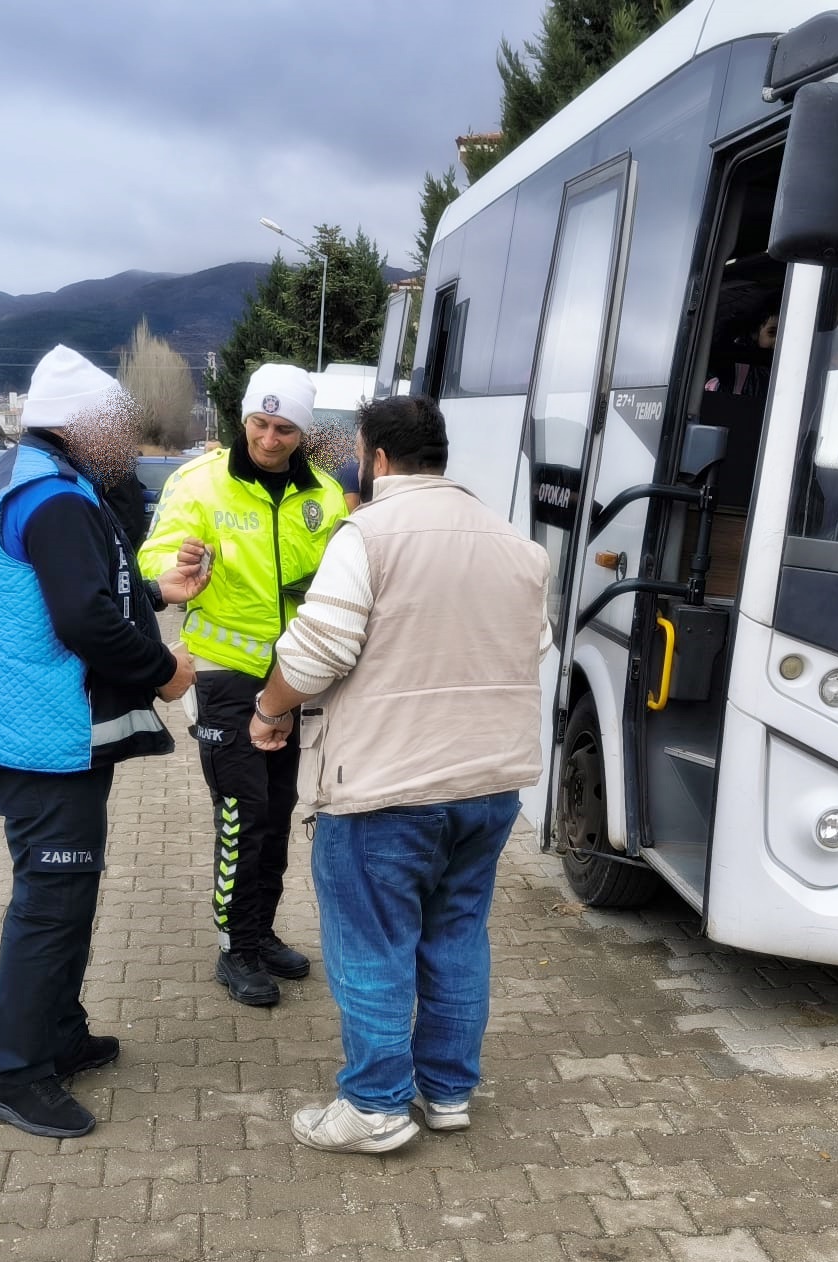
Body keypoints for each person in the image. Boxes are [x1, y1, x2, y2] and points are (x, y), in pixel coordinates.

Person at [247, 395, 551, 1154]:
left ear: (375, 458)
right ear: (439, 456)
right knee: (455, 936)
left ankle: (375, 1106)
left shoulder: (369, 533)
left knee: (373, 942)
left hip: (384, 785)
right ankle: (446, 1093)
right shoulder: (516, 542)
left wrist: (270, 709)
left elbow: (316, 652)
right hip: (488, 784)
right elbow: (534, 644)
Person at [0, 344, 203, 1139]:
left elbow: (84, 587)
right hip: (38, 741)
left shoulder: (35, 482)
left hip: (37, 735)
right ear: (79, 425)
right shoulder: (53, 497)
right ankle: (14, 1074)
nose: (127, 437)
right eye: (116, 424)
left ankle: (57, 1035)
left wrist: (159, 590)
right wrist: (162, 670)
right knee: (51, 905)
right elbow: (84, 619)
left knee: (67, 893)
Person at [137, 363, 348, 1007]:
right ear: (244, 419)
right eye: (260, 422)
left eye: (284, 428)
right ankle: (234, 948)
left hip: (295, 678)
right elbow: (152, 556)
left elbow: (341, 567)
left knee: (280, 811)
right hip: (226, 677)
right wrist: (179, 564)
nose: (269, 438)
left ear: (303, 432)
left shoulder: (325, 494)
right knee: (242, 815)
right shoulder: (198, 482)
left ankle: (261, 932)